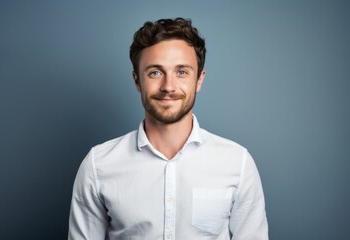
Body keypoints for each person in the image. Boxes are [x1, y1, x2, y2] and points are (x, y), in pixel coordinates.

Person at [68, 17, 268, 240]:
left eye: (181, 72)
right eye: (155, 72)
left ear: (199, 80)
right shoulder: (98, 165)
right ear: (137, 81)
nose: (168, 87)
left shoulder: (237, 164)